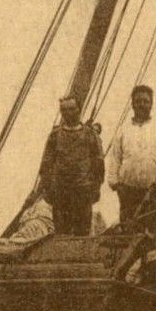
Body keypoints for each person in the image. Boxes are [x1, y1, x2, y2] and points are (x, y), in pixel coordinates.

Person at [106, 84, 156, 229]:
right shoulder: (123, 131)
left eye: (145, 101)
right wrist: (117, 186)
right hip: (129, 194)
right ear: (132, 104)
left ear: (151, 104)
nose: (142, 105)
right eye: (138, 101)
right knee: (130, 232)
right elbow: (115, 160)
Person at [39, 95, 104, 236]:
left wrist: (96, 188)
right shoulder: (55, 136)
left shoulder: (90, 135)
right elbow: (46, 164)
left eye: (71, 109)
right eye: (64, 110)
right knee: (62, 233)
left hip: (83, 192)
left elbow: (98, 163)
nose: (68, 113)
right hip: (61, 192)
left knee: (82, 233)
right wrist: (47, 188)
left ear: (79, 110)